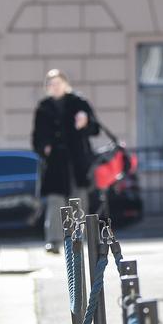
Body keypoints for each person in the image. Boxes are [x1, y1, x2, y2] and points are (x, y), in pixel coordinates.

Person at [30, 69, 100, 253]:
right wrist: (44, 147)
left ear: (65, 84)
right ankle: (53, 240)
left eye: (58, 83)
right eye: (51, 84)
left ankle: (79, 240)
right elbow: (37, 137)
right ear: (47, 87)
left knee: (78, 201)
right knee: (55, 202)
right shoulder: (43, 107)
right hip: (55, 164)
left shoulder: (79, 102)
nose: (55, 87)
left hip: (77, 162)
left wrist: (85, 123)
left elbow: (95, 129)